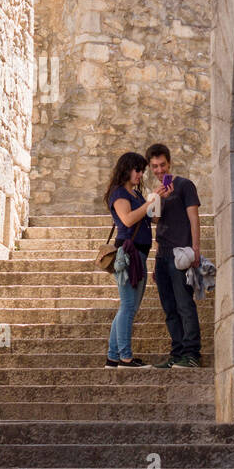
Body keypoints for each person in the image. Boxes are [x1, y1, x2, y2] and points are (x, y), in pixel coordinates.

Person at [145, 143, 202, 369]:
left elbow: (194, 218)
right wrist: (155, 201)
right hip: (163, 256)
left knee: (184, 305)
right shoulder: (156, 192)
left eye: (162, 165)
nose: (159, 170)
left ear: (169, 163)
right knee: (169, 308)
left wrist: (196, 248)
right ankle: (177, 354)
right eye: (154, 167)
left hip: (181, 254)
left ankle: (192, 354)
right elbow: (158, 224)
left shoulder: (185, 186)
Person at [102, 151, 157, 368]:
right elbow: (127, 219)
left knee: (130, 306)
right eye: (138, 170)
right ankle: (124, 357)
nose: (141, 174)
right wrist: (146, 205)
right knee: (127, 305)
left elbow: (150, 218)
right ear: (127, 169)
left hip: (140, 253)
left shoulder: (136, 194)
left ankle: (113, 357)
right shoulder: (118, 194)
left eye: (142, 171)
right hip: (128, 254)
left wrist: (160, 199)